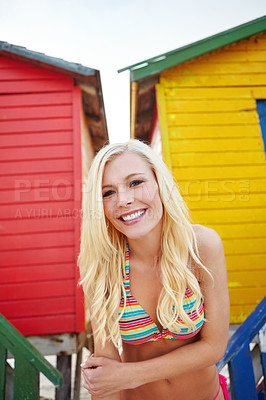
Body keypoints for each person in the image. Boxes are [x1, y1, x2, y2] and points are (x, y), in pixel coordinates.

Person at [78, 139, 230, 400]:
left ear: (160, 183)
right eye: (108, 192)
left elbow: (214, 347)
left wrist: (129, 375)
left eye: (136, 182)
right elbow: (106, 373)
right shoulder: (101, 265)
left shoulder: (201, 247)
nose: (124, 200)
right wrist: (110, 381)